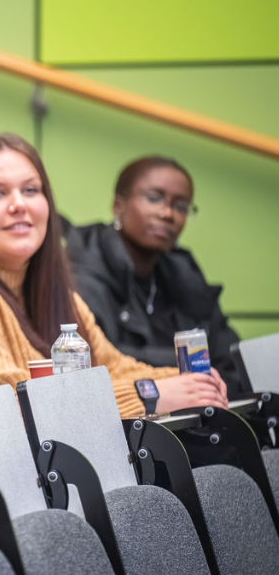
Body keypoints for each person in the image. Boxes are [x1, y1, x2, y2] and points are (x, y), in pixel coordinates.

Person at [0, 134, 229, 418]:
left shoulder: (48, 287)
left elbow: (113, 367)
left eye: (31, 190)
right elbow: (8, 405)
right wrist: (149, 395)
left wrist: (190, 381)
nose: (19, 205)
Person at [66, 156, 242, 396]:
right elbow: (99, 360)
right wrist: (188, 364)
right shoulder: (82, 267)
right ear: (118, 205)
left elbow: (228, 355)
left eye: (181, 206)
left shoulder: (183, 271)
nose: (167, 213)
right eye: (154, 198)